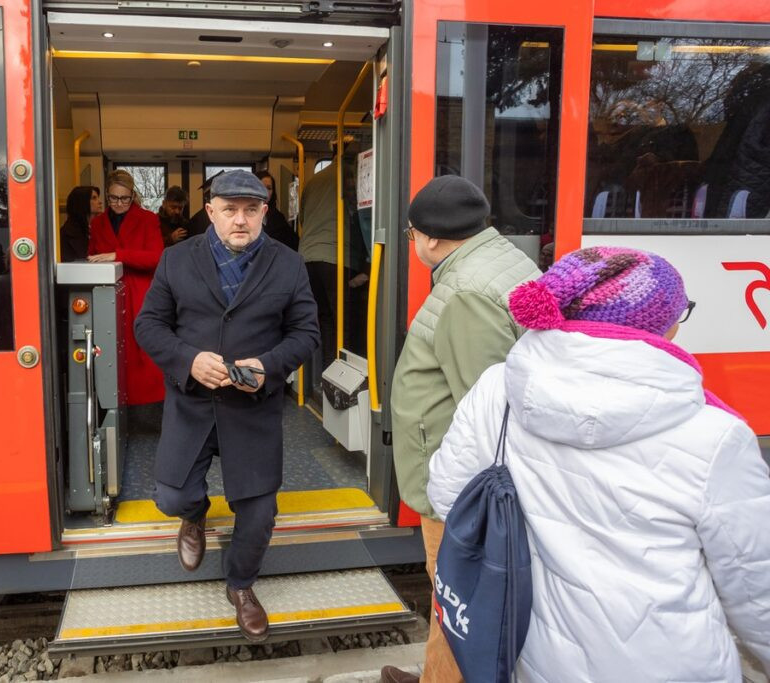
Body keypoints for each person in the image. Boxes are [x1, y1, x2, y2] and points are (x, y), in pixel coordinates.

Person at [426, 247, 770, 682]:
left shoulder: (498, 389)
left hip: (531, 655)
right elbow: (757, 589)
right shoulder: (715, 436)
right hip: (670, 664)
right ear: (660, 325)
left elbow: (446, 495)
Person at [134, 170, 319, 642]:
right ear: (210, 211)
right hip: (193, 402)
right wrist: (188, 360)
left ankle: (240, 585)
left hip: (252, 407)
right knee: (171, 498)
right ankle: (194, 516)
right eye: (230, 210)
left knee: (258, 516)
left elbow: (306, 335)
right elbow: (149, 325)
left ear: (264, 212)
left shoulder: (288, 263)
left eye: (251, 210)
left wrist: (270, 366)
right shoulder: (176, 260)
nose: (241, 220)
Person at [381, 175, 540, 683]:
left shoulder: (466, 292)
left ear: (429, 238)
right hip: (464, 477)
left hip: (461, 487)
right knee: (454, 600)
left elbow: (487, 407)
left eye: (410, 236)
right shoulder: (501, 260)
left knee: (458, 598)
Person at [89, 170, 165, 405]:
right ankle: (114, 404)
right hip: (106, 294)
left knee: (143, 354)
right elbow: (92, 256)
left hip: (140, 295)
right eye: (113, 198)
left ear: (133, 196)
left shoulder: (148, 218)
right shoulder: (98, 222)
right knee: (110, 352)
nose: (119, 203)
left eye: (124, 198)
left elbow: (156, 257)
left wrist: (118, 255)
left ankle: (151, 407)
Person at [297, 160, 349, 368]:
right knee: (344, 320)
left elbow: (302, 219)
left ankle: (328, 368)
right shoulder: (348, 175)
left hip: (307, 256)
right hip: (335, 254)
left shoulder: (313, 181)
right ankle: (343, 374)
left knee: (325, 318)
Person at [255, 171, 299, 250]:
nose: (265, 192)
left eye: (269, 188)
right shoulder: (244, 215)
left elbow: (293, 242)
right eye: (261, 187)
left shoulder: (278, 218)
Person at [59, 185, 101, 262]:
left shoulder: (99, 228)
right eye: (94, 198)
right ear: (82, 202)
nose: (99, 202)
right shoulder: (66, 234)